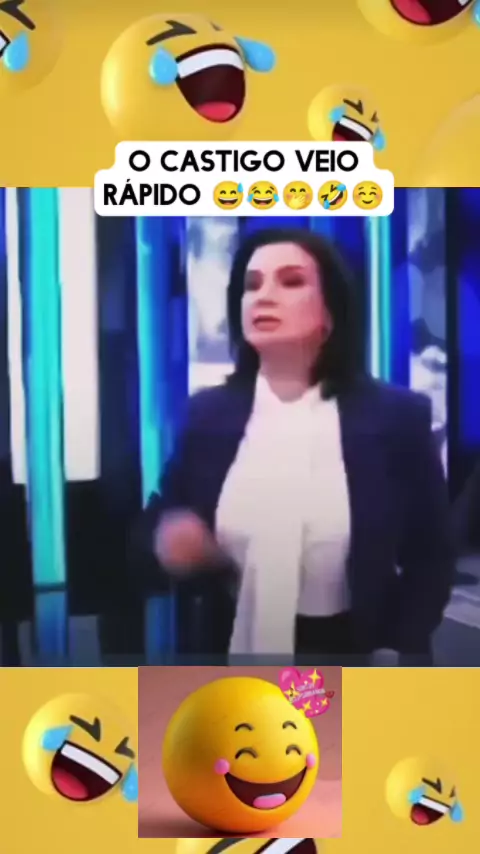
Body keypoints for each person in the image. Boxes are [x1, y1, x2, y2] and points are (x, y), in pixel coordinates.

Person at [131, 228, 454, 664]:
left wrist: (397, 645)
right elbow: (156, 523)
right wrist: (167, 541)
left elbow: (431, 555)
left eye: (291, 281)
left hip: (359, 653)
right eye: (252, 285)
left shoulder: (396, 417)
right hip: (232, 651)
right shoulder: (208, 415)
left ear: (329, 314)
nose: (264, 296)